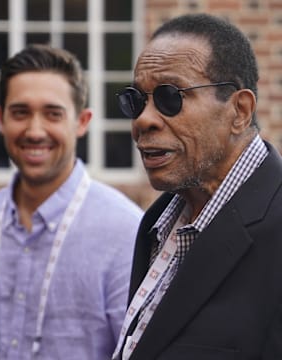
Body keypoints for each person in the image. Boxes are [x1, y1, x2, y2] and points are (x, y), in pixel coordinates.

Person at [0, 44, 143, 360]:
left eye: (52, 114)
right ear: (0, 118)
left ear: (82, 121)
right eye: (20, 112)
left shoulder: (126, 232)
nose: (35, 131)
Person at [112, 13, 282, 360]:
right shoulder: (157, 223)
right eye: (136, 100)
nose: (144, 119)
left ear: (239, 110)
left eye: (169, 97)